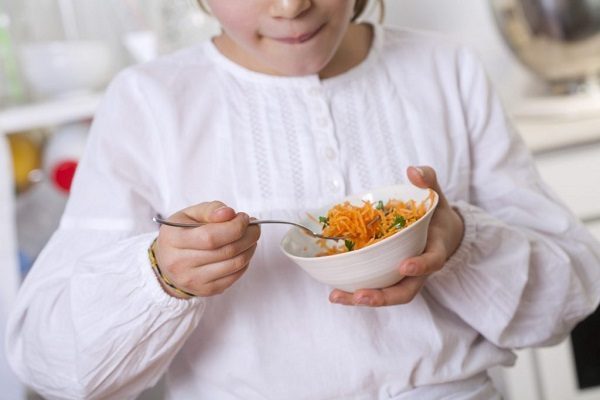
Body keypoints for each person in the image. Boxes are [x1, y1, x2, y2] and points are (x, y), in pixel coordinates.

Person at [6, 0, 600, 399]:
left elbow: (570, 296)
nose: (290, 4)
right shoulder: (148, 103)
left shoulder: (447, 68)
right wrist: (162, 276)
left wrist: (461, 242)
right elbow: (50, 361)